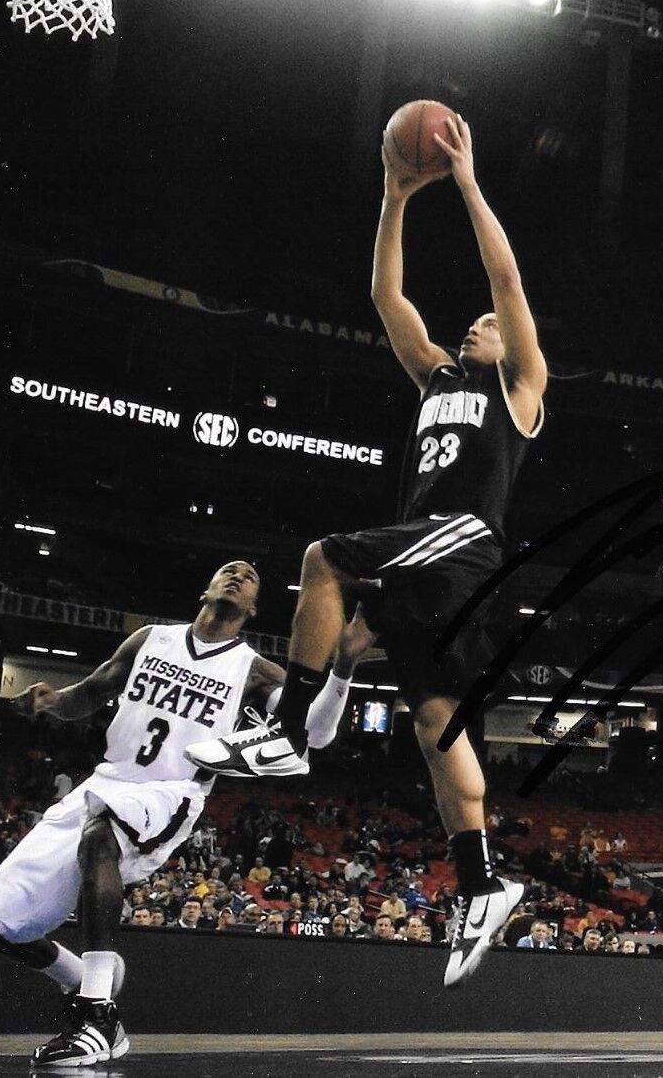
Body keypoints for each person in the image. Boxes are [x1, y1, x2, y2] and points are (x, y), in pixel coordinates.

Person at [190, 114, 546, 989]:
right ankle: (482, 879)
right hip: (429, 560)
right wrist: (393, 199)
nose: (475, 326)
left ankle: (284, 732)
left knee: (324, 557)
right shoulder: (436, 377)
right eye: (471, 324)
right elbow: (388, 300)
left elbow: (504, 276)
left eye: (485, 325)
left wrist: (463, 182)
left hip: (463, 540)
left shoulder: (520, 386)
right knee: (433, 720)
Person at [0, 562, 281, 1066]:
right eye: (228, 570)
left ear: (253, 609)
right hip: (108, 779)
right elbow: (91, 695)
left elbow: (303, 724)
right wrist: (52, 701)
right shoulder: (149, 640)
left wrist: (332, 678)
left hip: (172, 788)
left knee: (102, 837)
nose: (238, 576)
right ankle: (88, 981)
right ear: (205, 588)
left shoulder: (255, 669)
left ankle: (95, 1015)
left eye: (249, 578)